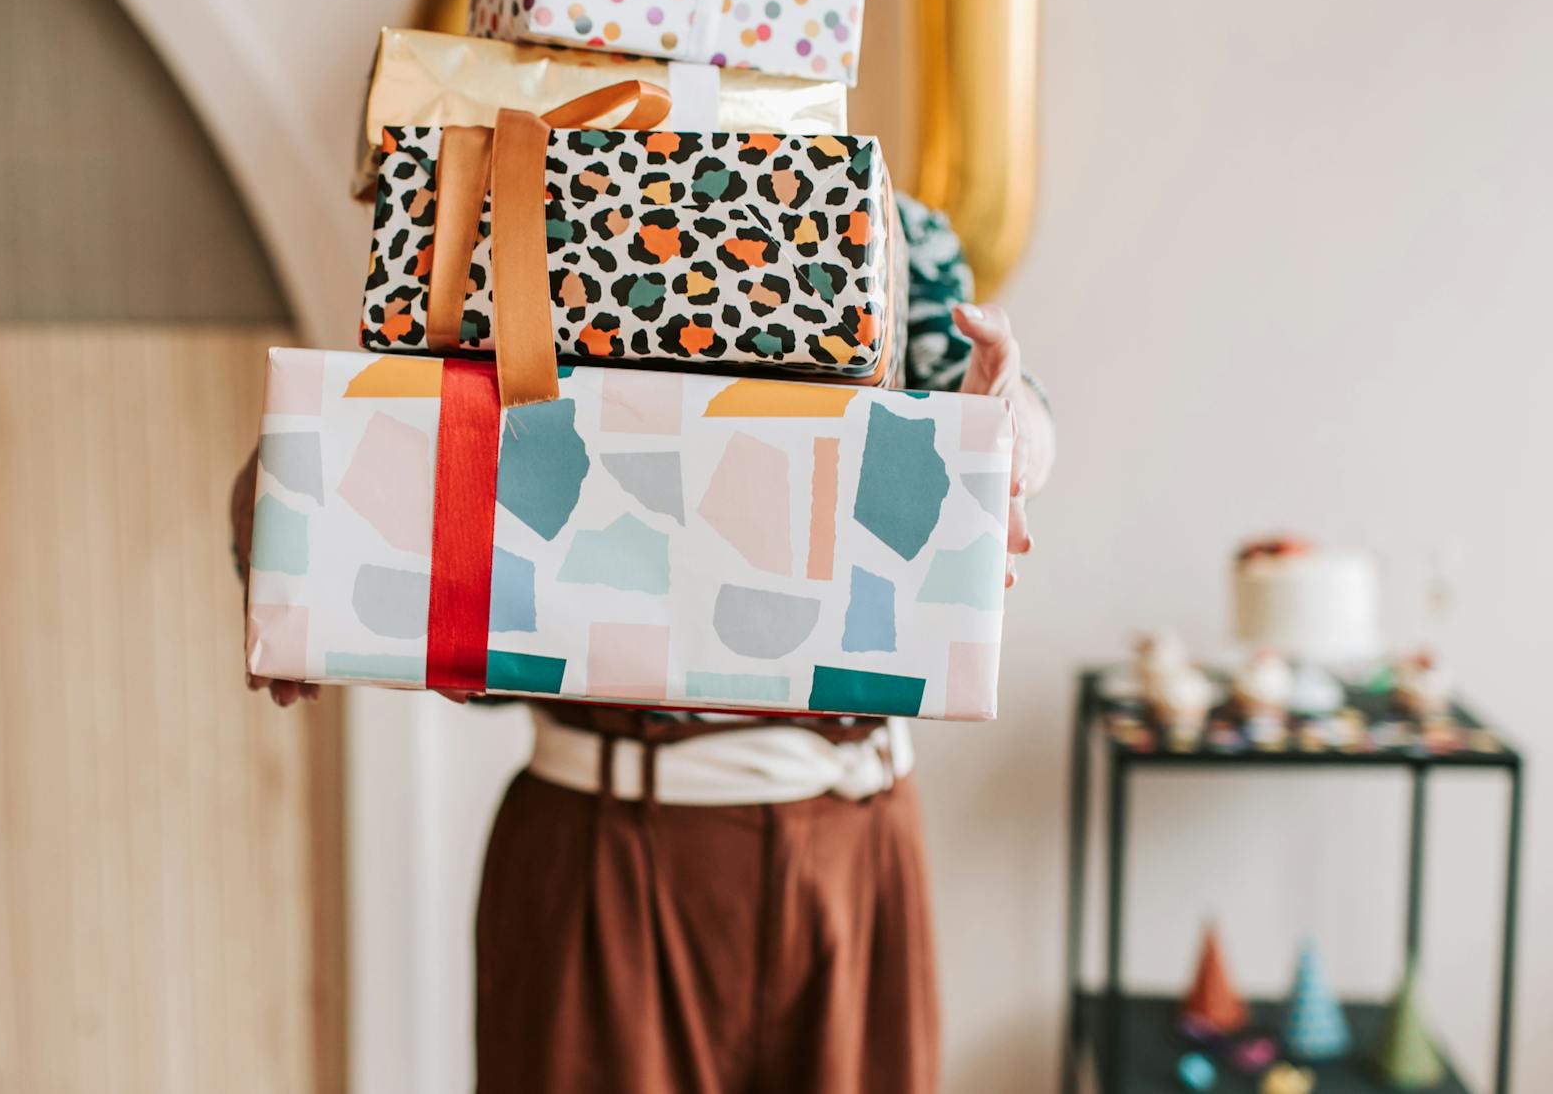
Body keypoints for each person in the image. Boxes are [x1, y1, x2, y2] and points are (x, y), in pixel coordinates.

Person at [234, 198, 1054, 1092]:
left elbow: (1012, 423)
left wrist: (1016, 434)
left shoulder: (885, 221)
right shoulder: (514, 213)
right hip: (603, 845)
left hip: (854, 844)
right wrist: (282, 530)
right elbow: (398, 445)